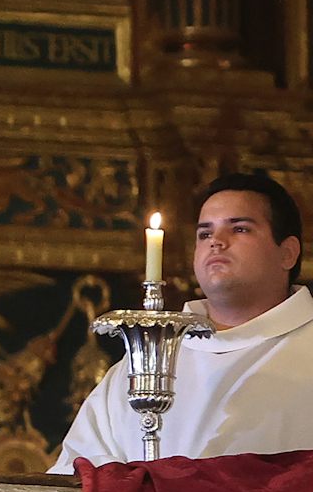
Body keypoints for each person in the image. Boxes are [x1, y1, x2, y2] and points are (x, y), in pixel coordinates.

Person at [53, 172, 313, 471]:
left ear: (288, 253)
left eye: (239, 229)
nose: (216, 241)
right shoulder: (145, 362)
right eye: (204, 234)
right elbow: (74, 478)